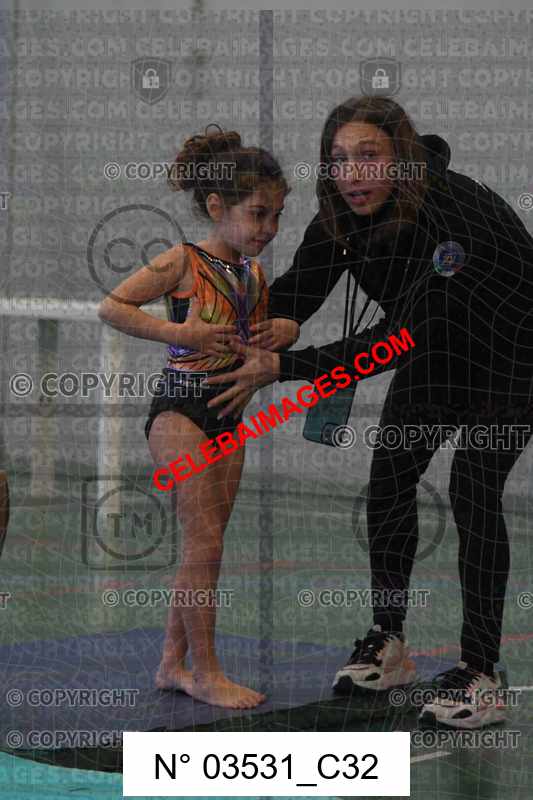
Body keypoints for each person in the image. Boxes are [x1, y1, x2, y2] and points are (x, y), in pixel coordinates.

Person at [205, 96, 533, 729]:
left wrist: (288, 366)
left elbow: (401, 338)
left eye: (368, 156)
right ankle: (389, 641)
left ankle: (482, 672)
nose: (350, 174)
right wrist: (249, 320)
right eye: (337, 160)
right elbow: (298, 290)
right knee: (388, 482)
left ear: (400, 158)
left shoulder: (451, 213)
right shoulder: (340, 216)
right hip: (439, 354)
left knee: (473, 485)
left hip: (512, 355)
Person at [97, 126, 298, 709]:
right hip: (179, 411)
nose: (269, 228)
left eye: (277, 216)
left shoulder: (252, 275)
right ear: (216, 206)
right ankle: (206, 671)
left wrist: (285, 330)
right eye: (257, 213)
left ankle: (171, 663)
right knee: (203, 542)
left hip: (228, 415)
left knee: (206, 545)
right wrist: (177, 333)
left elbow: (250, 341)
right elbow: (113, 306)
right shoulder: (182, 261)